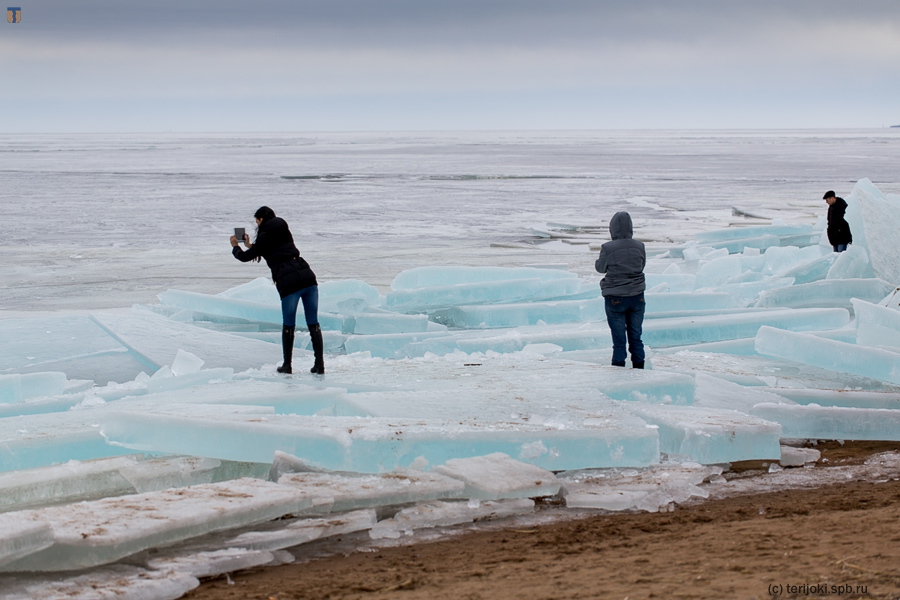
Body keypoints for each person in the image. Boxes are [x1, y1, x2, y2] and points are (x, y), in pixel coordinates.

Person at [230, 206, 324, 375]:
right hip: (308, 276)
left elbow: (245, 257)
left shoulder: (265, 236)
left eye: (257, 221)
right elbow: (273, 249)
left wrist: (236, 246)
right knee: (313, 323)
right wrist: (252, 245)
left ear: (260, 220)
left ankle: (287, 365)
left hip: (289, 283)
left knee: (289, 325)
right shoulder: (283, 229)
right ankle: (320, 365)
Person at [595, 211, 646, 368]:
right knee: (636, 335)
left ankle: (618, 369)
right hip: (637, 296)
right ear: (630, 227)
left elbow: (600, 268)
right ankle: (639, 367)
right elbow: (641, 265)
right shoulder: (640, 245)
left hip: (615, 297)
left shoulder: (608, 248)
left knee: (619, 338)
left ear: (612, 229)